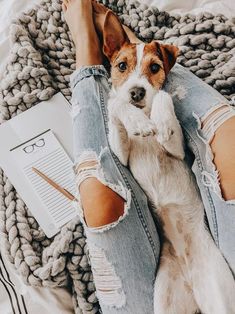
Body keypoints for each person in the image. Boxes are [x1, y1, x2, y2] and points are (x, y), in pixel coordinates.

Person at [62, 0, 235, 313]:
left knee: (98, 192)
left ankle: (92, 56)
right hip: (178, 250)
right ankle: (138, 52)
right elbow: (125, 155)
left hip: (188, 244)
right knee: (228, 137)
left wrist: (137, 107)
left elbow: (147, 155)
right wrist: (126, 108)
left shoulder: (147, 102)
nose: (135, 84)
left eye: (153, 68)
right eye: (122, 67)